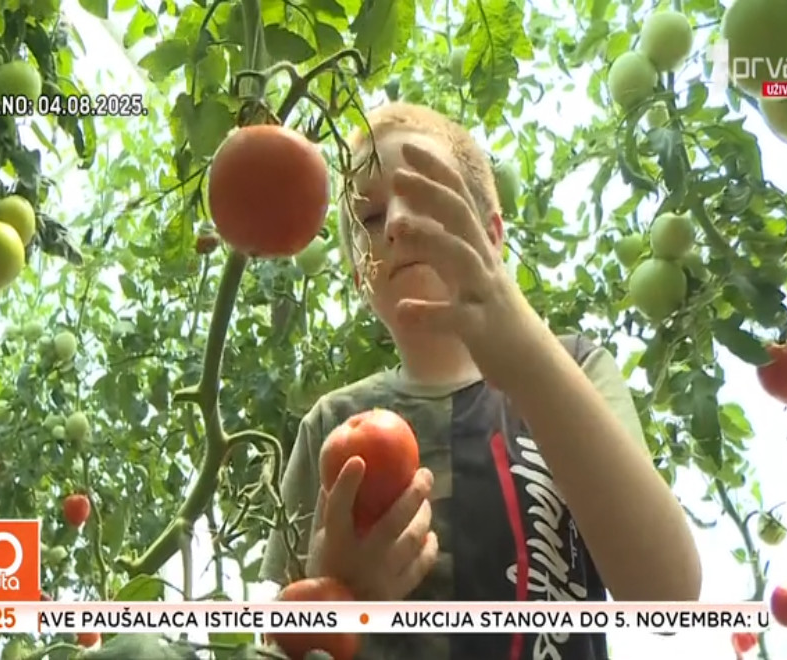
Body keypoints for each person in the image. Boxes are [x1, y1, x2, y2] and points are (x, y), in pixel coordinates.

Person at [259, 102, 702, 659]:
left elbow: (668, 598)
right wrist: (340, 592)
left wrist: (523, 347)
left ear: (492, 235)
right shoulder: (330, 423)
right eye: (369, 219)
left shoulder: (573, 370)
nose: (396, 221)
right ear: (358, 274)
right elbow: (276, 641)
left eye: (428, 195)